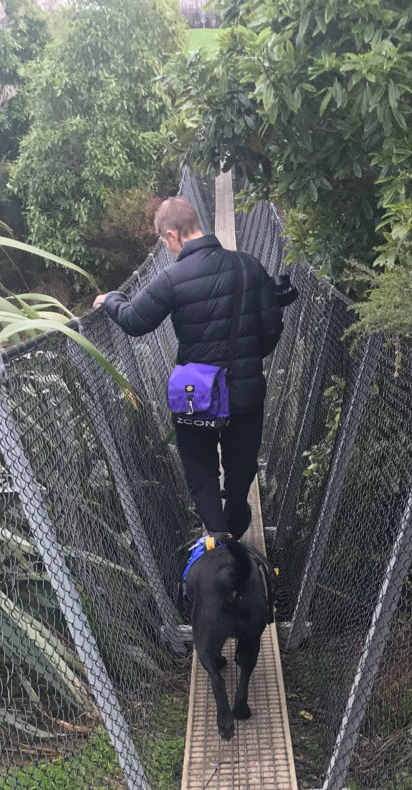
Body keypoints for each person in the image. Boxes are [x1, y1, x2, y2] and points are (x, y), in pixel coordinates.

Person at [93, 196, 284, 540]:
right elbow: (271, 329)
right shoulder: (248, 265)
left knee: (201, 471)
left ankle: (218, 534)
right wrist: (247, 359)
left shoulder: (172, 277)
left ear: (171, 234)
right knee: (241, 467)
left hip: (198, 396)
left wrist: (111, 300)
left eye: (165, 242)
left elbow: (135, 321)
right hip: (245, 392)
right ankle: (238, 511)